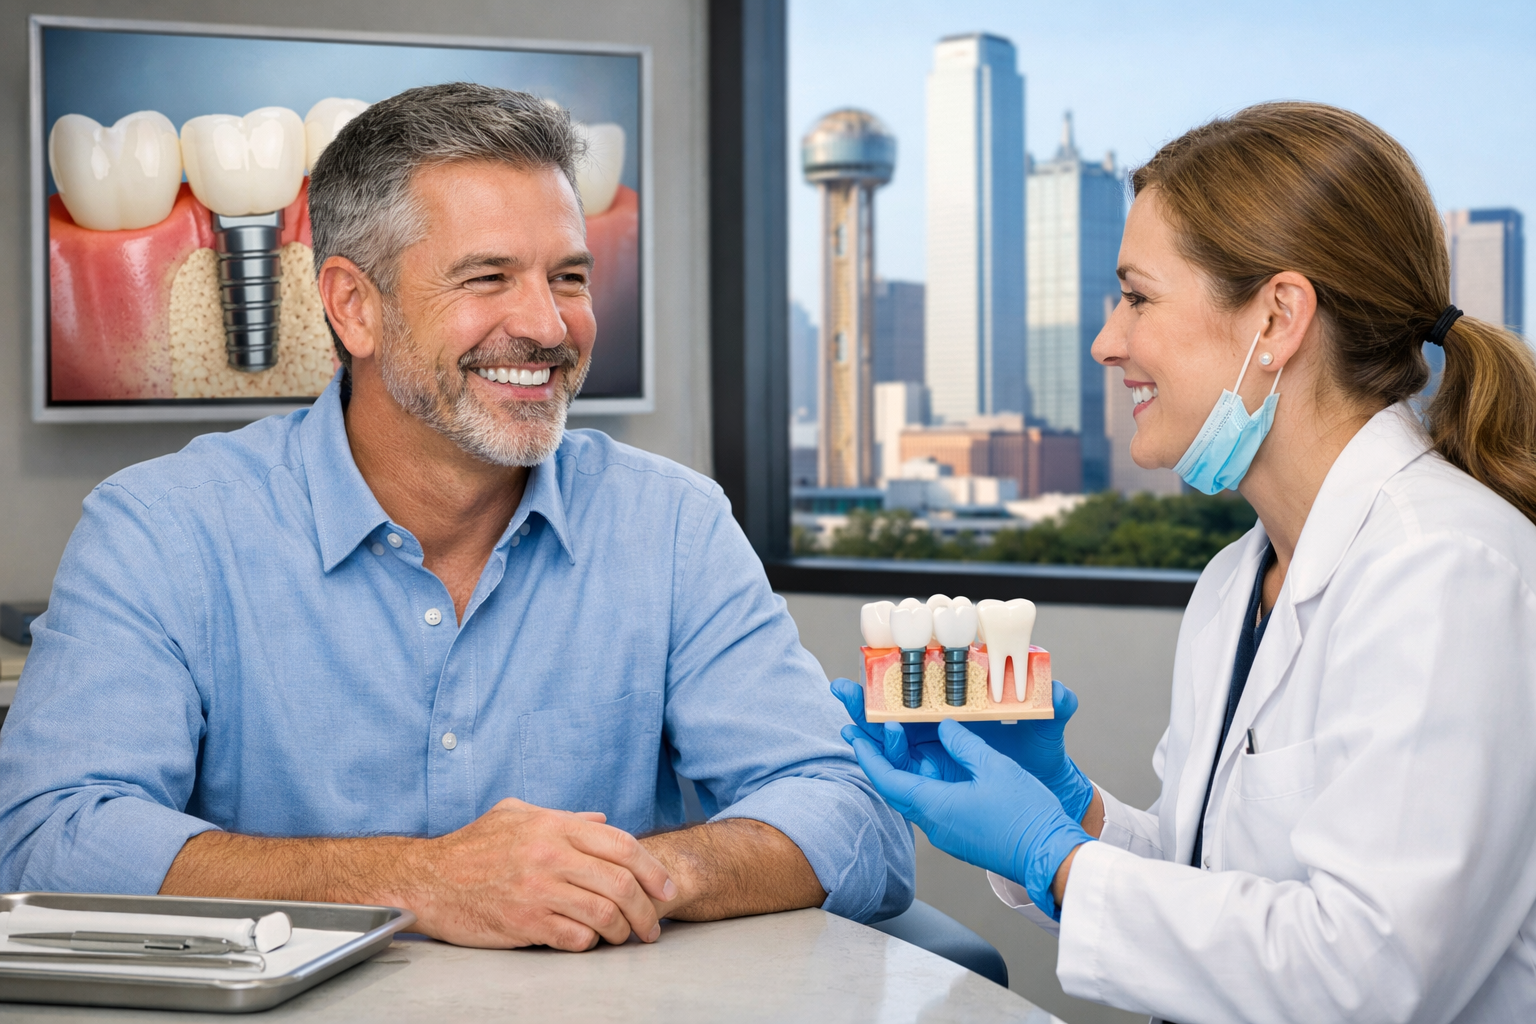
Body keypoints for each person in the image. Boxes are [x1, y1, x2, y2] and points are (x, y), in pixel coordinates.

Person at [0, 83, 913, 951]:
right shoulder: (163, 529)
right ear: (354, 307)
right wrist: (423, 881)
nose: (550, 327)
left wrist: (633, 875)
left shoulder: (672, 525)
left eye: (567, 276)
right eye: (487, 277)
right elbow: (49, 837)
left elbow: (850, 815)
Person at [834, 101, 1536, 1023]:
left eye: (1138, 296)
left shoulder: (1449, 572)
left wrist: (1060, 861)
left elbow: (1369, 977)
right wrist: (1068, 809)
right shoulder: (1236, 584)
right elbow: (1212, 882)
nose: (1106, 340)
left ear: (1279, 317)